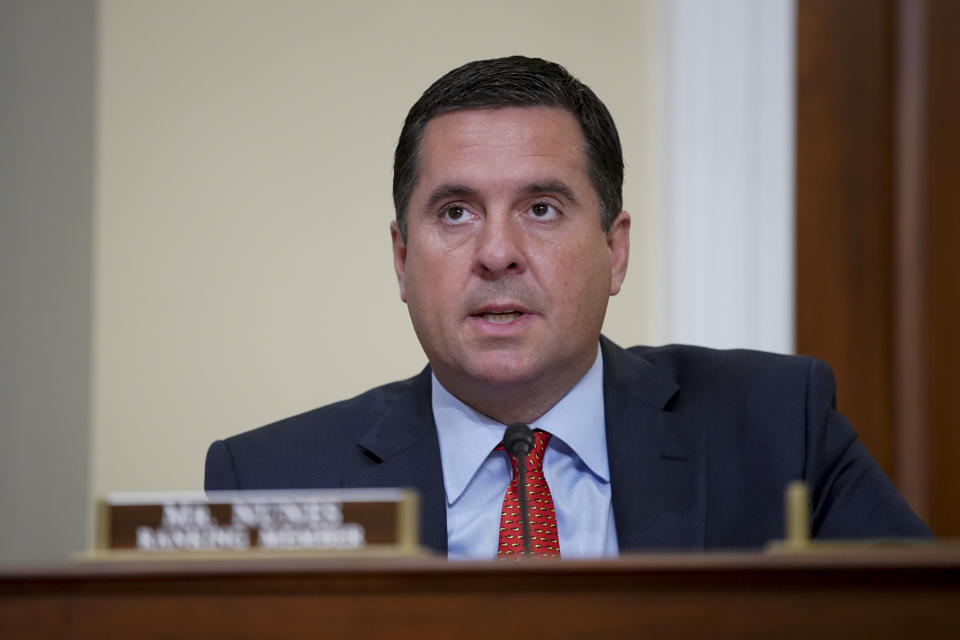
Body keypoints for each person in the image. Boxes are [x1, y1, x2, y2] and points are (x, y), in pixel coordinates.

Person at [205, 56, 930, 558]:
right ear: (401, 259)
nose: (497, 252)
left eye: (542, 208)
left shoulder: (777, 426)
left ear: (614, 251)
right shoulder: (272, 478)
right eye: (455, 213)